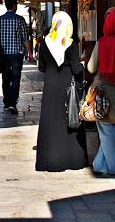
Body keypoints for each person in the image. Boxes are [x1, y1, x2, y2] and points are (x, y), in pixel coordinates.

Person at [35, 11, 87, 172]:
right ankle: (73, 159)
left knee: (51, 122)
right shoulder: (70, 44)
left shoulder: (44, 43)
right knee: (70, 120)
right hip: (67, 87)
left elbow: (41, 67)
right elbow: (77, 69)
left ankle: (49, 159)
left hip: (50, 87)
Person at [87, 9, 115, 176]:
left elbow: (91, 67)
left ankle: (111, 167)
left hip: (104, 94)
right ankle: (99, 165)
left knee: (106, 131)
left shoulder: (101, 43)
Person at [0, 0, 33, 115]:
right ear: (14, 6)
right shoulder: (20, 19)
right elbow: (25, 38)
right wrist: (30, 53)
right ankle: (12, 103)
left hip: (4, 54)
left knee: (5, 78)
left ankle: (6, 103)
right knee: (15, 79)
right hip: (17, 54)